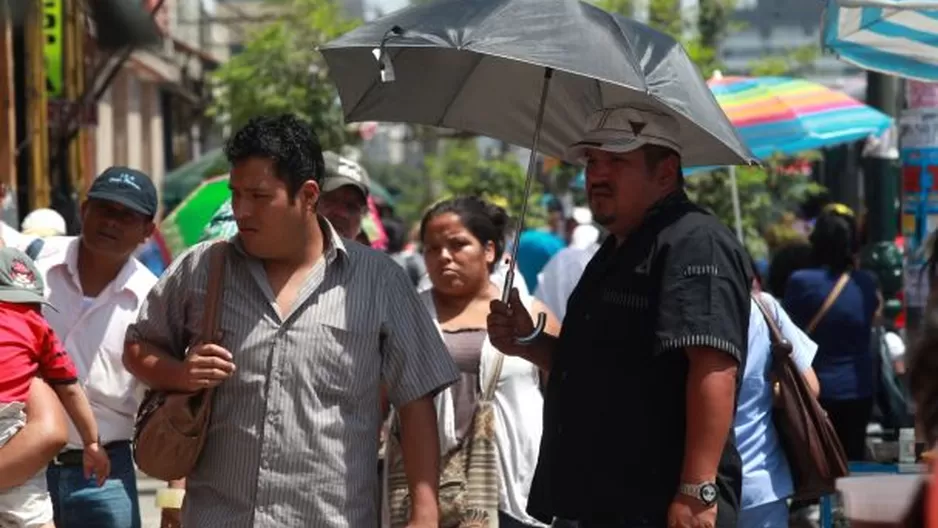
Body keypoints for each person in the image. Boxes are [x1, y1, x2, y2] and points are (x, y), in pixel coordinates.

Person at [122, 114, 460, 527]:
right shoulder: (201, 269)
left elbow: (416, 398)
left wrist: (424, 512)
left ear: (309, 195)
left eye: (259, 196)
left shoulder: (379, 281)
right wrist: (180, 373)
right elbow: (138, 347)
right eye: (236, 193)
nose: (241, 210)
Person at [488, 108, 752, 528]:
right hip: (599, 502)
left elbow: (714, 366)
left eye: (617, 161)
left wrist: (697, 490)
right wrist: (527, 341)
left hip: (660, 504)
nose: (598, 174)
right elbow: (596, 368)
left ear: (665, 173)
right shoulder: (616, 250)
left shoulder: (695, 241)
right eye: (593, 161)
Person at [391, 196, 559, 527]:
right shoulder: (405, 316)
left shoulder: (531, 314)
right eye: (432, 248)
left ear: (489, 251)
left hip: (515, 488)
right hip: (428, 495)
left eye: (457, 245)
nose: (444, 257)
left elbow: (569, 386)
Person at [28, 166, 159, 528]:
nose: (112, 222)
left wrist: (175, 494)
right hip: (22, 470)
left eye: (127, 215)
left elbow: (165, 397)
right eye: (105, 209)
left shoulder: (153, 300)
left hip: (104, 475)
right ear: (85, 211)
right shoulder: (33, 266)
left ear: (147, 230)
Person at [0, 247, 112, 527]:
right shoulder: (38, 325)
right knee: (28, 513)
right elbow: (70, 389)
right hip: (9, 427)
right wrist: (91, 442)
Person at [783, 204, 880, 461]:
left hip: (813, 389)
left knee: (816, 464)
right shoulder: (865, 283)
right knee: (852, 465)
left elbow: (786, 332)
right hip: (858, 390)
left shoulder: (800, 282)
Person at [736, 270, 820, 528]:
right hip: (763, 481)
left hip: (691, 485)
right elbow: (810, 387)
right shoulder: (763, 307)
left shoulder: (672, 308)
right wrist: (766, 392)